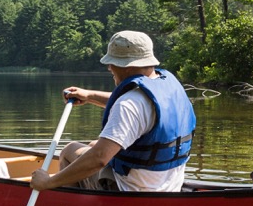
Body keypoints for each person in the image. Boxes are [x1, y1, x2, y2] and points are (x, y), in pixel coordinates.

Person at [31, 30, 196, 193]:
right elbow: (138, 109)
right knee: (93, 144)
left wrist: (49, 182)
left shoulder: (129, 104)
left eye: (113, 63)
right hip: (169, 185)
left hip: (131, 190)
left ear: (128, 66)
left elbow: (99, 158)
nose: (109, 67)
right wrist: (89, 96)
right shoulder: (169, 88)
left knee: (70, 150)